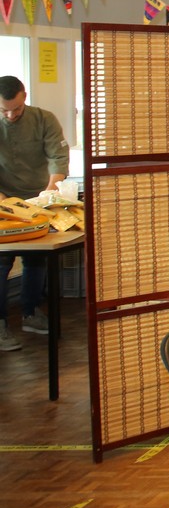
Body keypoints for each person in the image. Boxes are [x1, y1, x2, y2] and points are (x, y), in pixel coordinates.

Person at [0, 76, 70, 352]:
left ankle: (30, 312)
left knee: (36, 258)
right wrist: (4, 202)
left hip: (38, 198)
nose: (10, 115)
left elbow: (58, 157)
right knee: (2, 262)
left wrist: (50, 191)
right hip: (4, 200)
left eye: (16, 109)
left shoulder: (44, 119)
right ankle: (0, 324)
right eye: (4, 110)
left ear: (25, 97)